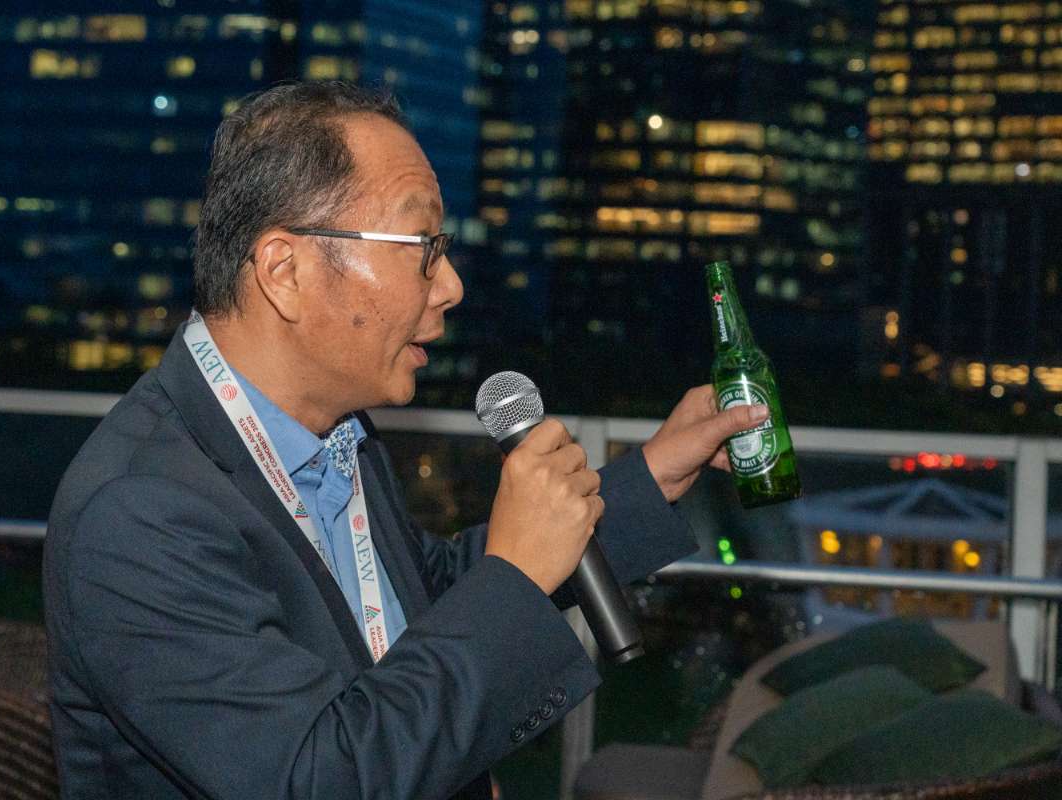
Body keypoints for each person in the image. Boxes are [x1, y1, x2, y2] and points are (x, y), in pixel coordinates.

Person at [43, 81, 768, 800]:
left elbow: (428, 595)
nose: (450, 286)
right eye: (421, 247)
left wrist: (653, 475)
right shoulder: (140, 512)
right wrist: (515, 576)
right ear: (285, 272)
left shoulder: (338, 435)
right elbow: (319, 780)